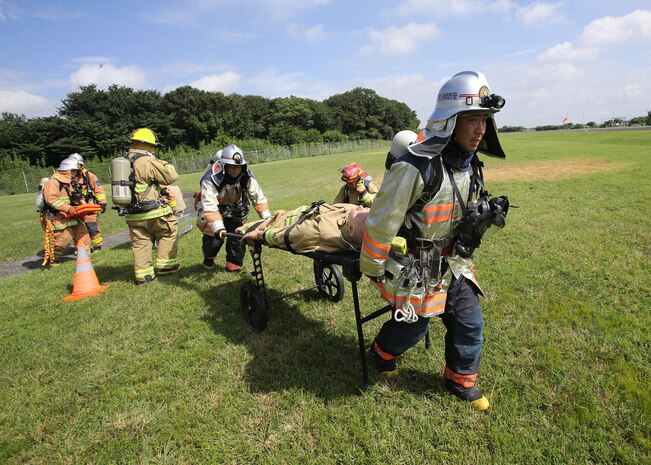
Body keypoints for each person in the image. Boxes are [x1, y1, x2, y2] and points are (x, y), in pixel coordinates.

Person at [360, 71, 509, 411]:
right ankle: (381, 352)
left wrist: (480, 220)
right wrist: (371, 266)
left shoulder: (471, 166)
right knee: (413, 329)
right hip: (414, 267)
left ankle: (460, 381)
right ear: (449, 120)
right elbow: (382, 221)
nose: (480, 129)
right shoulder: (416, 166)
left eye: (484, 120)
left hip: (454, 263)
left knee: (470, 322)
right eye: (472, 119)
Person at [197, 144, 271, 271]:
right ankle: (209, 257)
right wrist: (218, 227)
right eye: (232, 166)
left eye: (238, 166)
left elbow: (258, 197)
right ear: (224, 165)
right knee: (213, 240)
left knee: (238, 238)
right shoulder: (210, 179)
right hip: (215, 209)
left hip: (236, 209)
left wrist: (267, 219)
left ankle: (233, 266)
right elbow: (209, 204)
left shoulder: (246, 176)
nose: (236, 170)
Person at [123, 128, 180, 285]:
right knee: (169, 232)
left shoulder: (124, 161)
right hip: (152, 210)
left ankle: (143, 275)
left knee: (140, 242)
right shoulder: (146, 161)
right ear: (147, 145)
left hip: (132, 213)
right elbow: (171, 176)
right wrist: (163, 162)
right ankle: (165, 266)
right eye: (153, 146)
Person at [237, 201, 369, 254]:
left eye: (359, 212)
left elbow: (286, 236)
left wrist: (260, 235)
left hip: (281, 222)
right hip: (300, 214)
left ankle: (244, 231)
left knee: (241, 230)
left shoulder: (318, 231)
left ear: (351, 229)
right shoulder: (353, 218)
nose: (361, 207)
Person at [40, 157, 91, 266]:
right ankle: (53, 258)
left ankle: (84, 258)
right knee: (63, 240)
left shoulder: (69, 183)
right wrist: (69, 209)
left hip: (72, 215)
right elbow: (51, 200)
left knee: (82, 234)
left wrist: (85, 207)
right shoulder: (53, 182)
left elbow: (74, 198)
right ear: (65, 170)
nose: (74, 174)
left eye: (75, 171)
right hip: (58, 216)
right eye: (72, 171)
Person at [67, 153, 107, 251]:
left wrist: (102, 203)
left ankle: (97, 246)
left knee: (92, 226)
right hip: (73, 207)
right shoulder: (65, 177)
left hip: (88, 206)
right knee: (76, 229)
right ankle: (82, 248)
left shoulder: (89, 176)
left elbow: (98, 190)